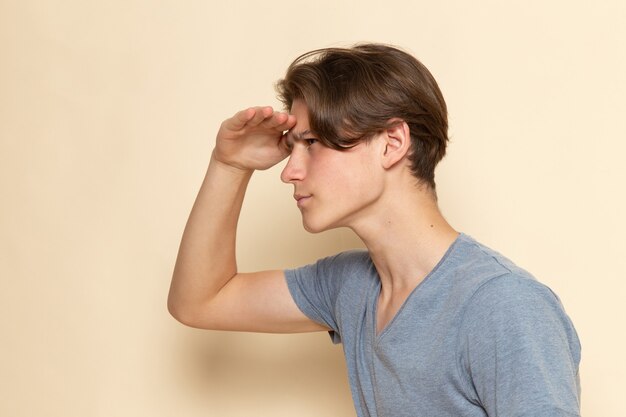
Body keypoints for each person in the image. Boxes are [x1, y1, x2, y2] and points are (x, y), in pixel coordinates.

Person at [168, 44, 581, 416]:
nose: (290, 172)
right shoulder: (352, 287)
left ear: (392, 142)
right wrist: (230, 165)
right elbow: (201, 301)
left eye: (311, 143)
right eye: (292, 147)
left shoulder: (502, 304)